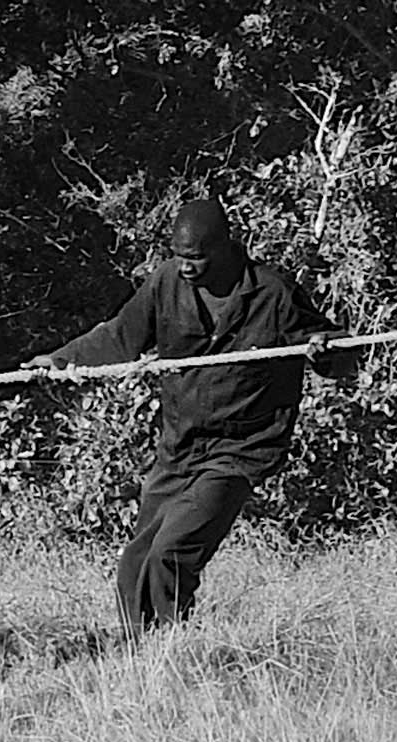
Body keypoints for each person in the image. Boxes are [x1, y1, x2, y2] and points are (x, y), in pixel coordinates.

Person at [24, 199, 359, 639]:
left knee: (171, 552)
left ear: (224, 248)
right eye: (181, 257)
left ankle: (172, 651)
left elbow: (337, 348)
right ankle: (137, 655)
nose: (186, 267)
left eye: (196, 258)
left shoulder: (272, 292)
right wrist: (61, 359)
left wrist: (325, 349)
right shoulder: (165, 282)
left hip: (240, 450)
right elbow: (119, 336)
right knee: (134, 563)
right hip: (179, 447)